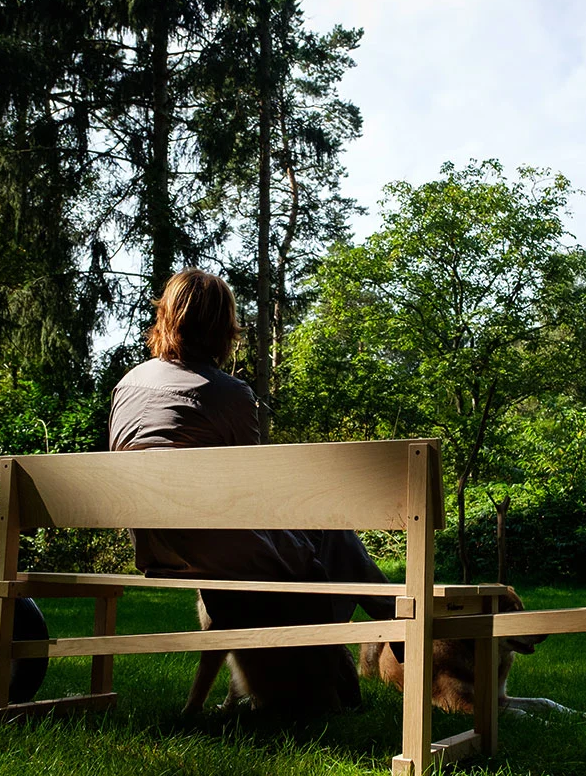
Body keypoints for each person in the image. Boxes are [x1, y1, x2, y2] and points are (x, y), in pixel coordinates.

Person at [108, 268, 398, 657]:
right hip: (214, 547)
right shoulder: (227, 392)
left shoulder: (127, 384)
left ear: (166, 317)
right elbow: (258, 494)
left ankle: (380, 629)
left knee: (321, 541)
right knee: (335, 535)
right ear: (222, 327)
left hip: (154, 548)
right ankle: (394, 629)